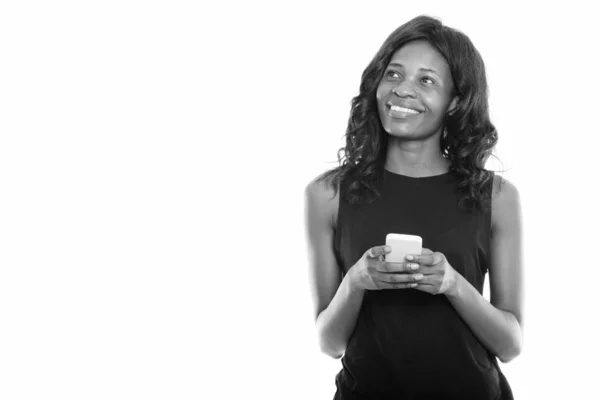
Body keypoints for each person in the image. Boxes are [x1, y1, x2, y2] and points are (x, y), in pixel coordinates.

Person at [304, 15, 523, 399]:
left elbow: (510, 344)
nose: (403, 90)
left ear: (454, 102)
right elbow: (330, 343)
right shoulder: (327, 195)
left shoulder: (497, 197)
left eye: (426, 80)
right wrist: (355, 282)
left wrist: (452, 284)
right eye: (393, 74)